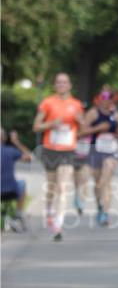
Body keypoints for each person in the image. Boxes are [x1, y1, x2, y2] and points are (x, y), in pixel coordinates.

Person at [32, 73, 85, 241]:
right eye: (59, 82)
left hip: (68, 149)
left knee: (62, 187)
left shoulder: (76, 104)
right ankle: (49, 211)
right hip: (50, 149)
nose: (62, 85)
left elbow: (83, 131)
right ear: (55, 85)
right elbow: (36, 127)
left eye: (65, 82)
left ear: (70, 85)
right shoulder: (48, 102)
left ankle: (58, 224)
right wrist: (51, 124)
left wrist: (80, 122)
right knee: (52, 186)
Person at [81, 88, 118, 226]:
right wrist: (98, 129)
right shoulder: (93, 113)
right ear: (99, 98)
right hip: (95, 151)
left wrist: (114, 134)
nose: (106, 100)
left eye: (109, 97)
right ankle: (99, 206)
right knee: (98, 183)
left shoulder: (116, 114)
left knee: (106, 181)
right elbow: (81, 132)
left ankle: (105, 213)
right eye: (103, 97)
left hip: (111, 152)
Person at [1, 128, 32, 230]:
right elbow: (29, 157)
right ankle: (19, 214)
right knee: (22, 183)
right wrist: (16, 142)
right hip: (11, 191)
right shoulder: (11, 151)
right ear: (5, 138)